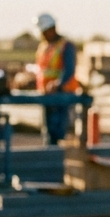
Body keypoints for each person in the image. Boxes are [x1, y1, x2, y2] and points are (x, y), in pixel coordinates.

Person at [34, 13, 80, 145]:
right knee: (48, 133)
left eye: (44, 32)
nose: (42, 35)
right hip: (46, 95)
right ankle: (50, 154)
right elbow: (42, 70)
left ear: (52, 29)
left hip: (62, 95)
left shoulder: (66, 46)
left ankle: (57, 155)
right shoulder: (44, 47)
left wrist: (57, 83)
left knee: (58, 131)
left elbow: (69, 70)